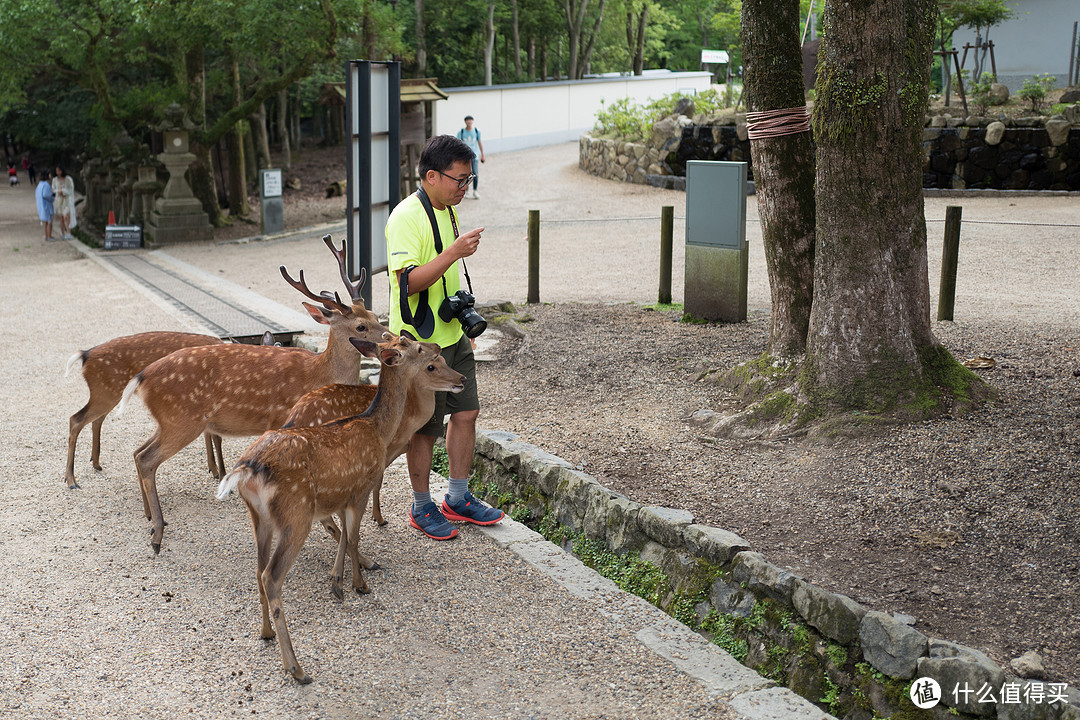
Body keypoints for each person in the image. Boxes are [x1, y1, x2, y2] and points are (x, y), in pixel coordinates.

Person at [385, 134, 504, 540]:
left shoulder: (447, 208)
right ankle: (421, 506)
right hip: (420, 346)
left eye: (469, 179)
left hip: (452, 335)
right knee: (425, 427)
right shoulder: (406, 217)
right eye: (459, 179)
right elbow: (409, 284)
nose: (463, 187)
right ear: (432, 176)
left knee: (466, 413)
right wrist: (454, 251)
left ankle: (457, 497)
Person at [456, 115, 485, 199]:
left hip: (474, 156)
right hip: (464, 157)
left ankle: (475, 191)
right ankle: (466, 191)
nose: (469, 122)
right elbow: (458, 144)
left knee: (475, 173)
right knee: (465, 175)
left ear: (472, 121)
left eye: (470, 120)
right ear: (465, 122)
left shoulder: (476, 131)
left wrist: (482, 154)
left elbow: (479, 142)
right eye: (467, 120)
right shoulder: (461, 132)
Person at [52, 165, 77, 239]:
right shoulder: (55, 180)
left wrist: (63, 191)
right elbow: (53, 189)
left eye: (59, 171)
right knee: (61, 218)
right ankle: (63, 233)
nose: (58, 172)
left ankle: (69, 232)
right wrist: (58, 192)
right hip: (59, 201)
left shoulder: (68, 179)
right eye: (57, 171)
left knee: (66, 216)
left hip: (67, 200)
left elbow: (70, 189)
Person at [35, 170, 54, 241]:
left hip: (41, 205)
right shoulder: (46, 184)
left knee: (45, 222)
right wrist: (52, 196)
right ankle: (49, 236)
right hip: (46, 205)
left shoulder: (39, 184)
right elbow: (46, 195)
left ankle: (47, 236)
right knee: (49, 221)